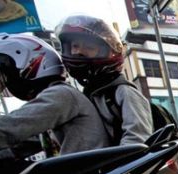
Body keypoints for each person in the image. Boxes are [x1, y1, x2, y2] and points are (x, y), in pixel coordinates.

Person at [0, 34, 109, 174]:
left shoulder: (61, 94)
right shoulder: (56, 96)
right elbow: (25, 143)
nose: (7, 81)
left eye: (7, 74)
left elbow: (13, 127)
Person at [56, 15, 153, 146]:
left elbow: (138, 140)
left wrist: (115, 164)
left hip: (122, 164)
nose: (78, 52)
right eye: (75, 46)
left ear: (107, 52)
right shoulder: (89, 95)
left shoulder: (123, 92)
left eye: (89, 47)